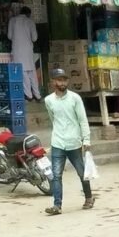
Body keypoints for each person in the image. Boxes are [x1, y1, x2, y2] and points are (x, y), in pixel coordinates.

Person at [43, 69, 93, 215]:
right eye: (59, 80)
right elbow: (53, 119)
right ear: (53, 82)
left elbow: (82, 120)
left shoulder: (75, 98)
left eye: (64, 80)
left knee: (81, 172)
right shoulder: (48, 100)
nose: (62, 83)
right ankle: (57, 205)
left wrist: (86, 139)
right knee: (56, 175)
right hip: (58, 142)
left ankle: (89, 198)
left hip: (74, 142)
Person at [8, 6, 40, 101]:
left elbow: (9, 36)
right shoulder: (30, 22)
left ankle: (28, 95)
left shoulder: (12, 21)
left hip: (17, 50)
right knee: (31, 71)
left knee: (22, 72)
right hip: (28, 50)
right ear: (28, 14)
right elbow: (34, 38)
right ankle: (37, 95)